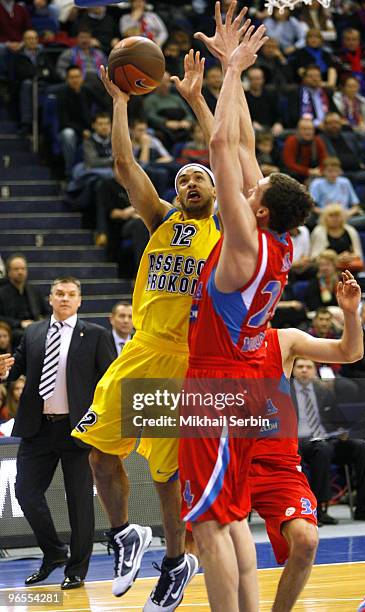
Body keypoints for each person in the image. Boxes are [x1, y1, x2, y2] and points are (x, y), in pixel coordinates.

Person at [72, 61, 221, 611]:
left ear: (214, 189)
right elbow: (122, 163)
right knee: (97, 452)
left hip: (186, 361)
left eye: (198, 177)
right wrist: (119, 102)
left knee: (166, 476)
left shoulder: (224, 231)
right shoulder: (160, 220)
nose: (187, 182)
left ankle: (176, 562)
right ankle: (126, 534)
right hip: (142, 349)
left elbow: (228, 155)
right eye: (182, 177)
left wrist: (202, 103)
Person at [178, 6, 313, 610]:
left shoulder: (240, 240)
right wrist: (224, 81)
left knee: (208, 523)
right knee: (230, 517)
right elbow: (245, 142)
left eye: (253, 192)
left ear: (255, 210)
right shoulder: (278, 243)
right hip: (240, 385)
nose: (249, 185)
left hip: (214, 383)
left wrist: (230, 69)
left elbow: (220, 145)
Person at [250, 269, 364, 611]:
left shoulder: (283, 340)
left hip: (278, 466)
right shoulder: (213, 341)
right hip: (227, 461)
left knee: (306, 540)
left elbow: (350, 352)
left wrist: (349, 312)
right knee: (199, 544)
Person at [7, 277, 115, 590]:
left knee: (80, 503)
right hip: (37, 428)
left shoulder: (95, 335)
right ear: (51, 299)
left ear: (80, 301)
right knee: (26, 493)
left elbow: (109, 383)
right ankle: (53, 552)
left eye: (71, 294)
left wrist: (101, 425)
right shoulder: (34, 331)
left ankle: (76, 569)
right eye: (59, 293)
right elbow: (15, 370)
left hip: (77, 430)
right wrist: (4, 371)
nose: (65, 299)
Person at [292, 357, 365, 523]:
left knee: (363, 447)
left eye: (309, 367)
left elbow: (335, 420)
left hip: (325, 438)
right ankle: (318, 508)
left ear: (315, 371)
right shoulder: (285, 391)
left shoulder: (324, 390)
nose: (305, 370)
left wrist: (342, 431)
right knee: (322, 449)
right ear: (293, 370)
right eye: (300, 367)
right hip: (297, 441)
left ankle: (363, 505)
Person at [0, 254, 50, 346]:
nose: (20, 272)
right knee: (23, 335)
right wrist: (20, 323)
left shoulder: (34, 291)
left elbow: (47, 312)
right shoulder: (2, 293)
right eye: (16, 269)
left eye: (23, 269)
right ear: (9, 272)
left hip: (35, 326)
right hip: (13, 329)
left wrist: (40, 322)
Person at [310, 204, 364, 271]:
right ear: (325, 218)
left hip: (348, 267)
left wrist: (350, 257)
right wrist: (336, 258)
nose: (335, 219)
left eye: (337, 216)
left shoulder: (350, 230)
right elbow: (314, 257)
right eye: (331, 216)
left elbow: (358, 254)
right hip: (326, 269)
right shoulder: (319, 231)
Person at [282, 117, 327, 183]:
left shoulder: (317, 141)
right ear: (298, 130)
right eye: (304, 129)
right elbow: (289, 164)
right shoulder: (291, 141)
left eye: (310, 129)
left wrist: (319, 170)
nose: (307, 132)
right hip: (294, 177)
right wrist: (308, 171)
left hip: (315, 175)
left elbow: (324, 161)